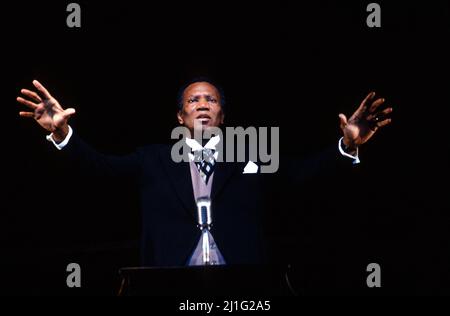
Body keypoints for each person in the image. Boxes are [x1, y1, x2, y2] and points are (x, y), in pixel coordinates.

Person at [17, 79, 392, 266]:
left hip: (243, 285)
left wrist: (347, 146)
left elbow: (302, 175)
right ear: (180, 117)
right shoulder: (152, 159)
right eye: (193, 100)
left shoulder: (252, 154)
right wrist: (62, 133)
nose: (202, 104)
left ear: (223, 117)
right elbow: (99, 169)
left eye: (210, 100)